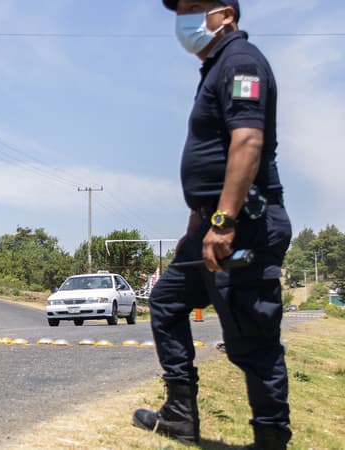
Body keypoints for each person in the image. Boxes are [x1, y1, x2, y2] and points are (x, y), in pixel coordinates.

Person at [133, 2, 293, 449]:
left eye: (191, 9)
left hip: (245, 225)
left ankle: (271, 439)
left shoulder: (242, 62)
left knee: (252, 339)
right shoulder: (218, 66)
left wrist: (223, 221)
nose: (182, 20)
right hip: (209, 226)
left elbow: (248, 141)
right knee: (166, 302)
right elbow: (213, 162)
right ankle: (180, 415)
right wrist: (197, 225)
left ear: (224, 13)